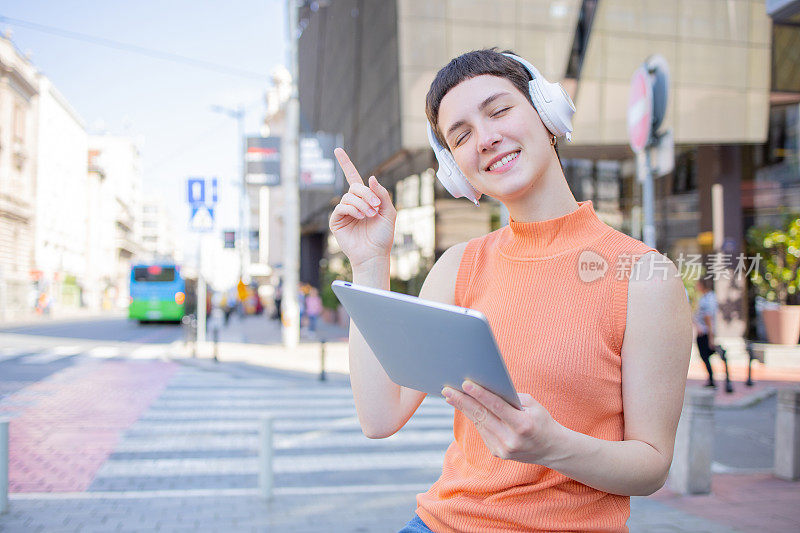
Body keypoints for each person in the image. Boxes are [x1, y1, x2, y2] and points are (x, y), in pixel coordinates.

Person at [329, 49, 692, 532]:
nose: (486, 138)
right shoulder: (459, 266)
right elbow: (379, 417)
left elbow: (651, 467)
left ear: (547, 113)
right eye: (460, 136)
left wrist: (553, 445)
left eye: (499, 110)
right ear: (455, 169)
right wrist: (369, 263)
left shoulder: (646, 276)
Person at [693, 276, 719, 388]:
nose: (696, 286)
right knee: (706, 356)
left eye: (697, 284)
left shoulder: (705, 300)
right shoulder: (711, 297)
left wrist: (710, 336)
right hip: (707, 332)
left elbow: (707, 317)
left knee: (705, 356)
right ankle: (711, 379)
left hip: (704, 332)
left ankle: (712, 379)